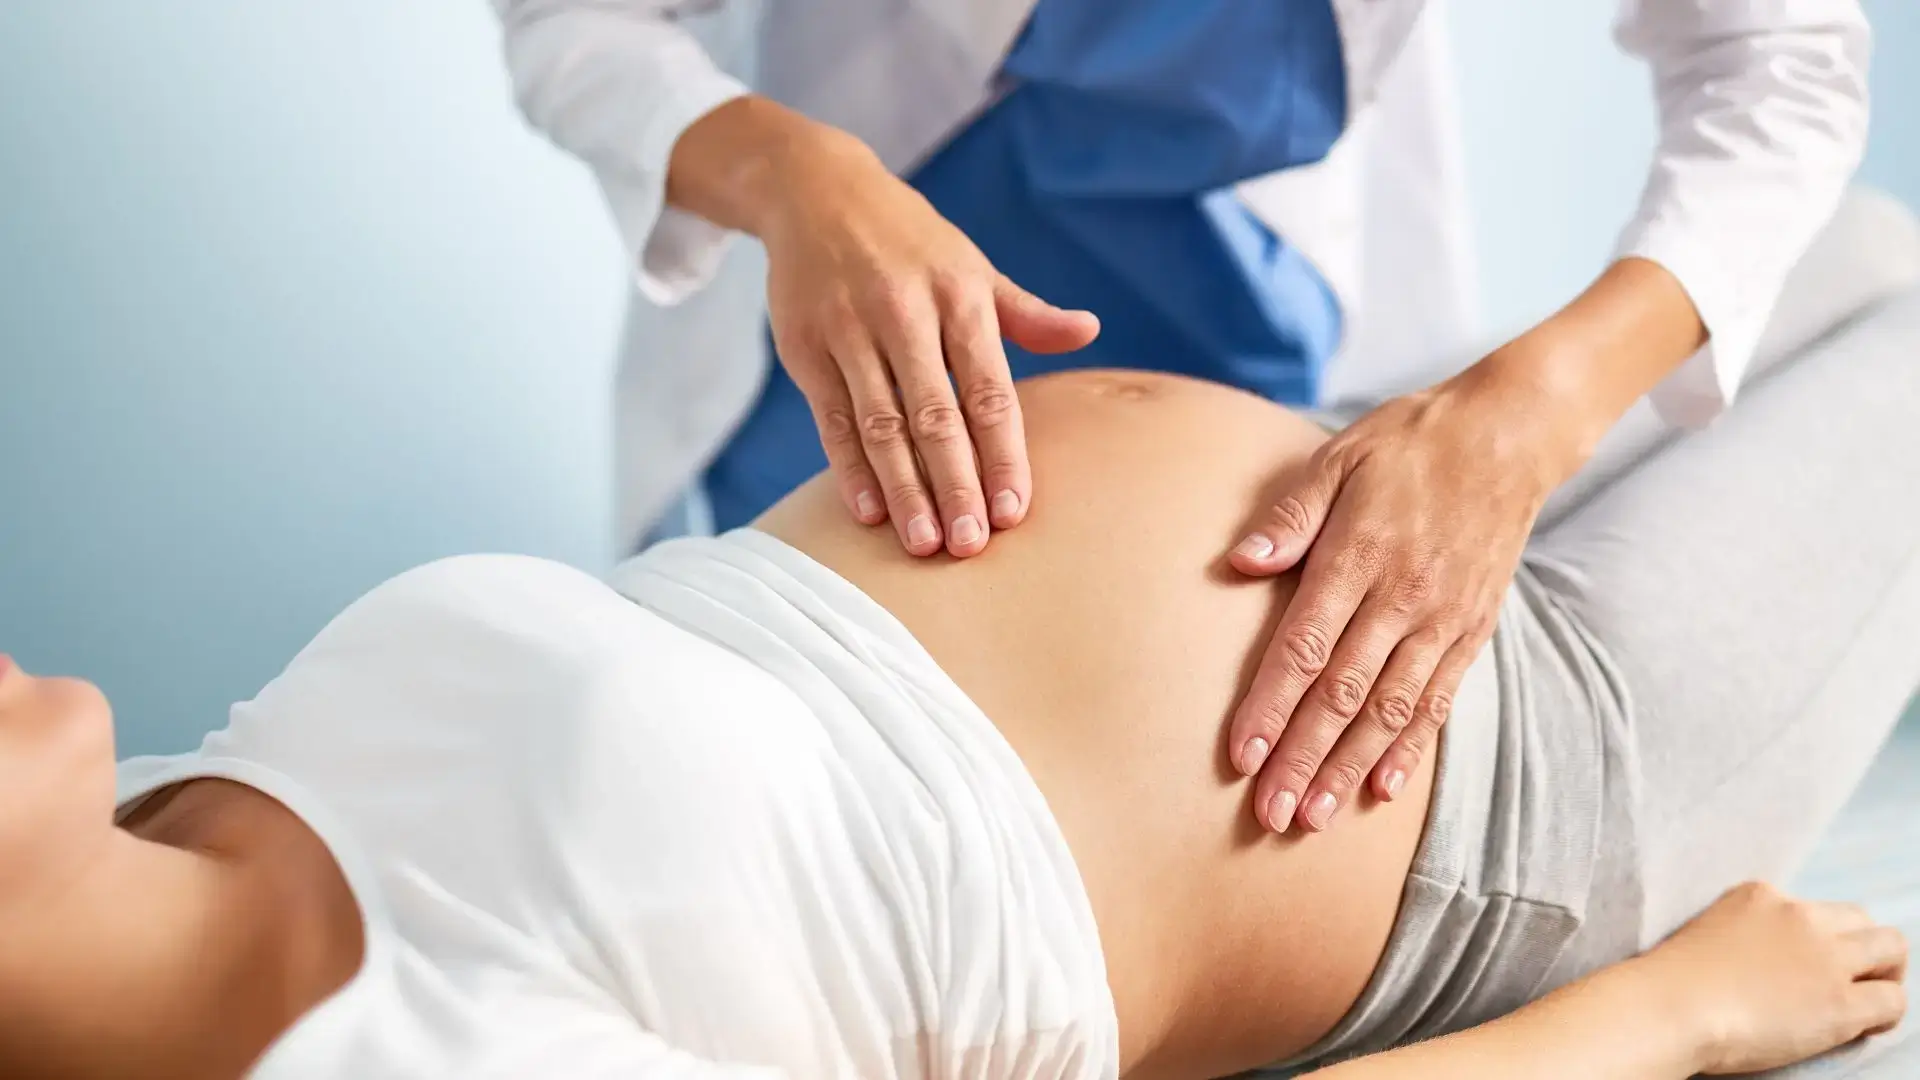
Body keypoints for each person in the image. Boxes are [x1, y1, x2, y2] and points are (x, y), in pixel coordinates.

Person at [6, 285, 1917, 1078]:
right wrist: (1678, 1015)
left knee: (1829, 252)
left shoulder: (150, 807)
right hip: (1498, 780)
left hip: (1385, 477)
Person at [490, 0, 1875, 836]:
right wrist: (791, 173)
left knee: (1877, 273)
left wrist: (1532, 414)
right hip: (845, 313)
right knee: (1886, 286)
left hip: (1276, 314)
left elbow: (1780, 60)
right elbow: (573, 21)